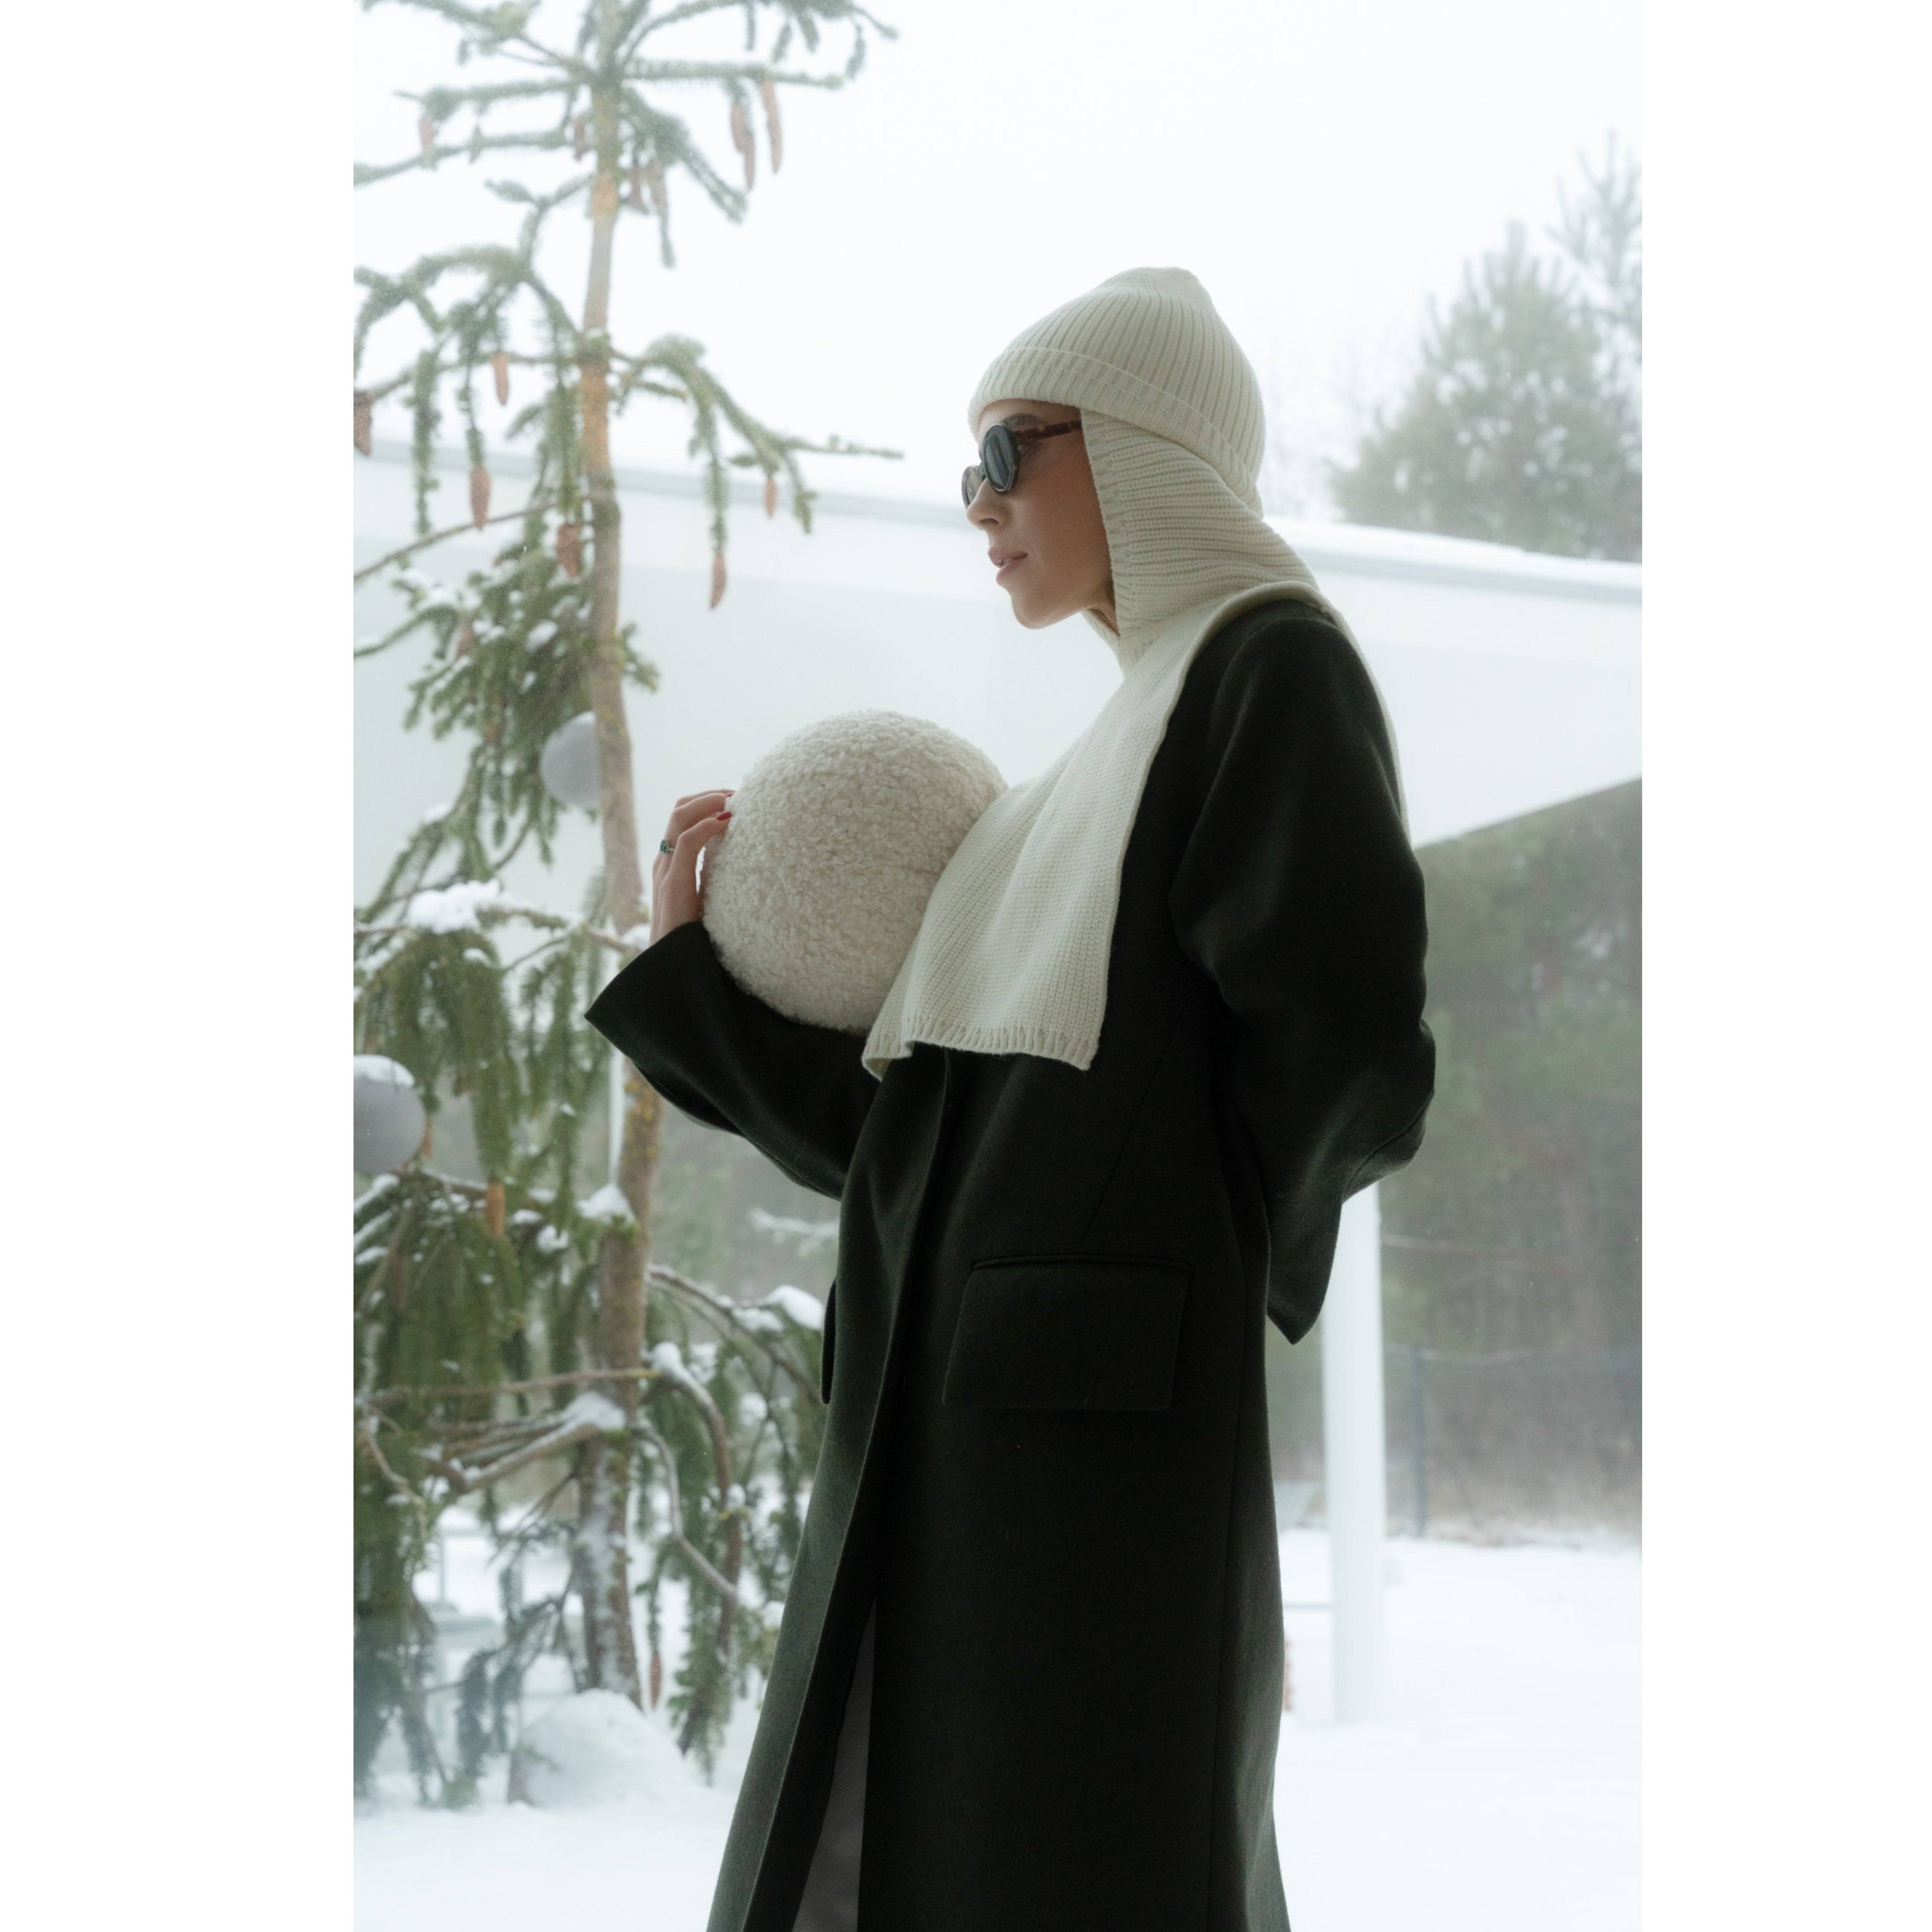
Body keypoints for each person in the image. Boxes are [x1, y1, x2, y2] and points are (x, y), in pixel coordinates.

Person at [587, 267, 1434, 1932]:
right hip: (958, 1415)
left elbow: (1346, 1047)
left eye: (1004, 448)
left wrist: (1170, 1251)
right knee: (931, 1840)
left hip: (1091, 1441)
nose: (976, 500)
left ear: (1138, 449)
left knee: (1086, 1850)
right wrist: (695, 986)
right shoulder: (1093, 759)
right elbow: (923, 1152)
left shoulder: (1265, 665)